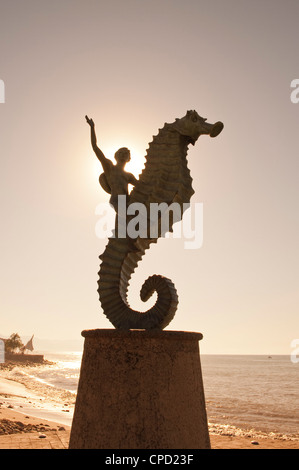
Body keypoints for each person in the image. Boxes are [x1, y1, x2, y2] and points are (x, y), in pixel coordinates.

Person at [85, 115, 138, 212]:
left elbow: (142, 186)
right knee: (125, 218)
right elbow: (95, 147)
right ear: (116, 156)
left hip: (128, 201)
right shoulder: (109, 167)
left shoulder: (129, 175)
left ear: (128, 158)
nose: (123, 155)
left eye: (125, 154)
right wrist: (92, 128)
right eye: (120, 153)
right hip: (116, 201)